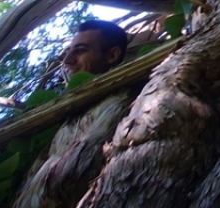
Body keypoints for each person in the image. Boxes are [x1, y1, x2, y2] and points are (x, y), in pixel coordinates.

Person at [13, 20, 132, 208]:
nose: (67, 60)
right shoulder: (62, 119)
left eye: (80, 50)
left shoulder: (124, 103)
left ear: (112, 55)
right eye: (68, 51)